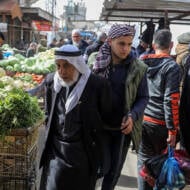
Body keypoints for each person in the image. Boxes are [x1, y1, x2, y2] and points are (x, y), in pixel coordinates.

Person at [39, 44, 112, 190]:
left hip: (83, 151)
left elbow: (105, 116)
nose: (62, 71)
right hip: (57, 150)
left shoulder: (96, 85)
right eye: (58, 66)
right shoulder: (51, 81)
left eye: (66, 66)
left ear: (77, 65)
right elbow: (49, 113)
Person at [90, 23, 149, 190]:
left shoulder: (138, 68)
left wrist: (133, 116)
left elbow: (144, 97)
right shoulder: (96, 62)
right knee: (97, 168)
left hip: (121, 130)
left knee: (113, 173)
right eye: (121, 43)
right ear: (110, 41)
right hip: (98, 128)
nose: (126, 49)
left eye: (129, 44)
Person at [137, 29, 181, 190]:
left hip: (142, 119)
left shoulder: (141, 61)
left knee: (143, 161)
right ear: (171, 45)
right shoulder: (171, 67)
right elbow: (171, 100)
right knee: (161, 163)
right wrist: (172, 129)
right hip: (161, 124)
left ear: (154, 44)